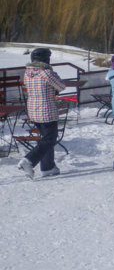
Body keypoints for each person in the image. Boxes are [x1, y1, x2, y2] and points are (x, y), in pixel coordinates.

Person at [17, 47, 65, 179]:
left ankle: (48, 167)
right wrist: (53, 74)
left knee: (45, 139)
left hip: (33, 111)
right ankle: (29, 160)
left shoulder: (28, 72)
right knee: (50, 139)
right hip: (47, 111)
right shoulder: (47, 73)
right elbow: (61, 86)